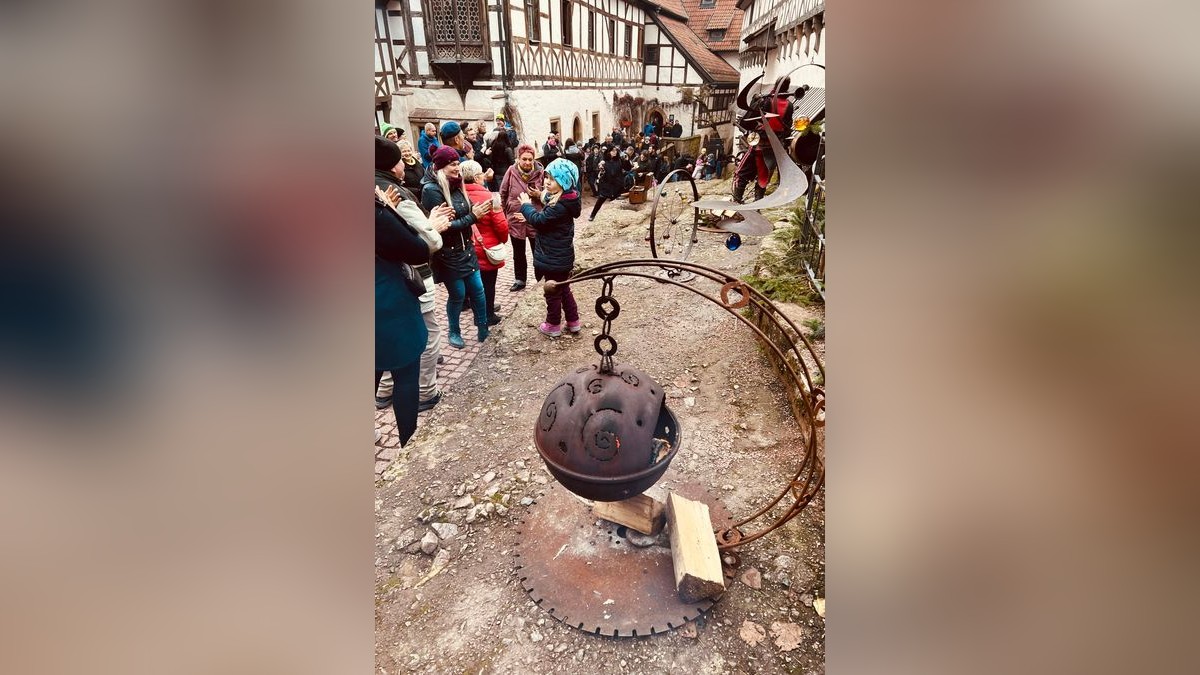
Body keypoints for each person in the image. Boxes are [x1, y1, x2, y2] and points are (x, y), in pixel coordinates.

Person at [375, 137, 451, 413]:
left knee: (387, 341)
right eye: (399, 160)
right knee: (428, 336)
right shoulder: (394, 194)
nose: (403, 165)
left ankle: (384, 391)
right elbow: (426, 243)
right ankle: (426, 393)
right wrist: (433, 225)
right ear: (390, 165)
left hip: (384, 283)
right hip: (411, 277)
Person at [421, 146, 493, 348]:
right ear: (441, 166)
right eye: (453, 165)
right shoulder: (432, 190)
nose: (458, 169)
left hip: (466, 249)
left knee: (478, 291)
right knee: (458, 295)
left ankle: (483, 328)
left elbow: (462, 216)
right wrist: (472, 217)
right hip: (448, 254)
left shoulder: (456, 185)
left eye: (458, 164)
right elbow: (444, 228)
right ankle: (454, 331)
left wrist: (472, 214)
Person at [518, 158, 582, 338]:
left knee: (552, 291)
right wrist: (539, 195)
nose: (546, 182)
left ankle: (553, 324)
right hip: (562, 257)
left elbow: (540, 220)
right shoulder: (568, 198)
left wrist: (526, 207)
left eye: (552, 179)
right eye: (546, 177)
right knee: (564, 289)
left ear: (563, 182)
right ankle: (573, 321)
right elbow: (548, 198)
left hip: (553, 258)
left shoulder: (558, 207)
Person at [461, 160, 509, 327]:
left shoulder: (458, 194)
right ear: (476, 177)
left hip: (467, 246)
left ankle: (480, 310)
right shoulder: (489, 197)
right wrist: (503, 239)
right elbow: (501, 226)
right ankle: (488, 314)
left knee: (474, 284)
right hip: (486, 247)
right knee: (488, 284)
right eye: (481, 174)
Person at [499, 144, 544, 291]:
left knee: (537, 251)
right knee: (518, 252)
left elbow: (548, 194)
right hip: (515, 219)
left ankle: (540, 278)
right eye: (524, 159)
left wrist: (539, 194)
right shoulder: (511, 171)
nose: (527, 162)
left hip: (534, 218)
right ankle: (520, 279)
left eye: (530, 159)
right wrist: (506, 213)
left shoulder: (541, 173)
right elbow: (503, 192)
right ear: (518, 159)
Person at [588, 144, 627, 222]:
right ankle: (593, 214)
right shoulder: (604, 161)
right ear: (609, 152)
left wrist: (627, 160)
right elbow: (599, 171)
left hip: (617, 185)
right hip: (607, 184)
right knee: (600, 200)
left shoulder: (619, 160)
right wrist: (601, 168)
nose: (615, 152)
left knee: (616, 202)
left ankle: (615, 219)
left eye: (616, 150)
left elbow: (627, 168)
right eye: (613, 151)